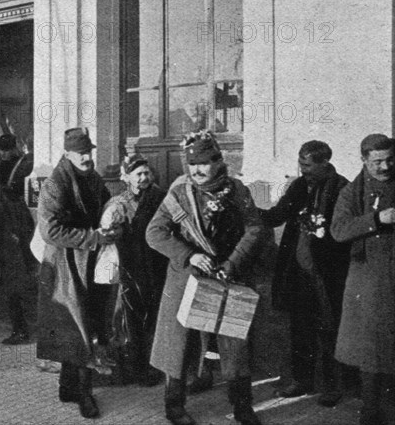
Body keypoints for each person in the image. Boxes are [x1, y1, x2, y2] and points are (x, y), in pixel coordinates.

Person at [146, 131, 263, 425]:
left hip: (228, 276)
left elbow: (254, 229)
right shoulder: (179, 193)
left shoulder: (237, 191)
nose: (196, 170)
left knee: (235, 343)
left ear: (218, 161)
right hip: (187, 277)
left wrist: (233, 263)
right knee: (179, 345)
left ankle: (242, 407)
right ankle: (174, 406)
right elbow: (154, 233)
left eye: (203, 163)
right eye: (191, 163)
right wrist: (189, 255)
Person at [259, 141, 350, 406]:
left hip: (327, 275)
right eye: (301, 164)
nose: (303, 170)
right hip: (298, 272)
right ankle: (302, 381)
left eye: (308, 165)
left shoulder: (341, 189)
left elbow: (342, 233)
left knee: (330, 329)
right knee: (300, 327)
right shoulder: (299, 186)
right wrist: (249, 211)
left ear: (325, 163)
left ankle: (333, 386)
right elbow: (278, 215)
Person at [37, 127, 118, 419]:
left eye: (89, 152)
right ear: (67, 154)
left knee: (83, 323)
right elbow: (50, 230)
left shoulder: (92, 178)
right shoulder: (55, 184)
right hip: (64, 265)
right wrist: (94, 237)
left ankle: (67, 386)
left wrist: (114, 220)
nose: (87, 157)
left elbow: (107, 204)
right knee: (80, 325)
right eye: (81, 153)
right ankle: (84, 393)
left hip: (90, 261)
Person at [330, 133, 395, 425]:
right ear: (364, 160)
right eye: (378, 161)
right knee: (371, 349)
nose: (385, 167)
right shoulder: (351, 192)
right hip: (369, 280)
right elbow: (339, 230)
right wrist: (377, 219)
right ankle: (370, 411)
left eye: (390, 159)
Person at [103, 153, 167, 386]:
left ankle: (156, 366)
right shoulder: (118, 203)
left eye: (146, 173)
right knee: (131, 319)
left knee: (157, 316)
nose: (144, 177)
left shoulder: (161, 197)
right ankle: (136, 367)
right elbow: (107, 233)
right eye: (138, 174)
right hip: (131, 267)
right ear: (126, 177)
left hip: (156, 265)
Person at [0, 134, 38, 344]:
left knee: (14, 282)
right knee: (15, 281)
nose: (3, 154)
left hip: (13, 232)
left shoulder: (6, 172)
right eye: (1, 150)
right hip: (18, 230)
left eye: (6, 150)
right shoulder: (24, 167)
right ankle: (19, 325)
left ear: (14, 148)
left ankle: (21, 329)